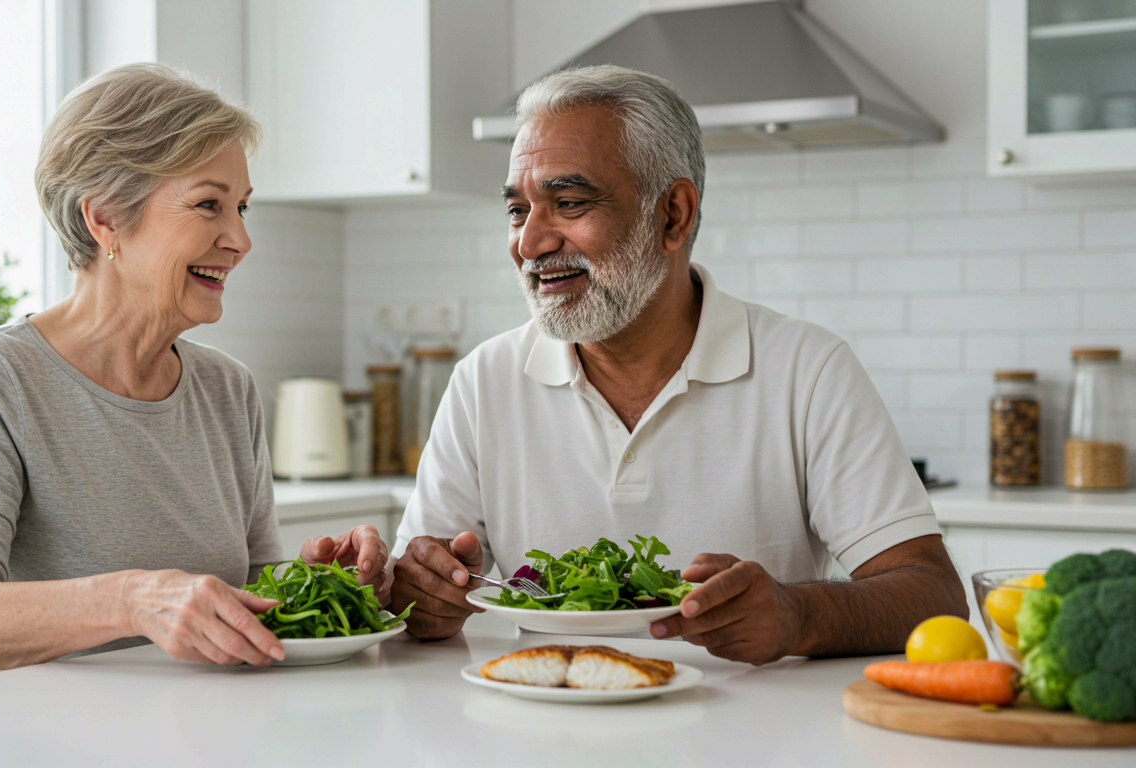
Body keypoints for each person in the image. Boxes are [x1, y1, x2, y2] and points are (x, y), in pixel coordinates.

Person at [389, 65, 968, 665]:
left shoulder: (808, 370)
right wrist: (421, 593)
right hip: (541, 708)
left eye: (569, 203)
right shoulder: (483, 382)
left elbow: (935, 596)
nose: (530, 243)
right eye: (517, 210)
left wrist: (798, 615)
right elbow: (416, 591)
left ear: (673, 214)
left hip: (755, 720)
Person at [0, 64, 387, 677]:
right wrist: (130, 600)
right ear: (106, 218)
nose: (240, 239)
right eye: (209, 204)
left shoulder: (227, 388)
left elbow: (253, 589)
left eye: (241, 207)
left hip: (213, 722)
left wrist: (320, 589)